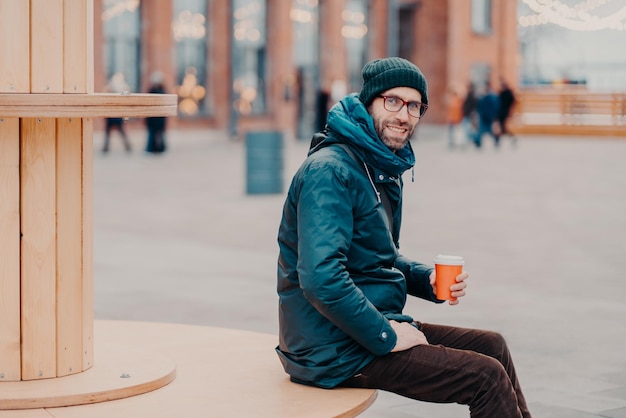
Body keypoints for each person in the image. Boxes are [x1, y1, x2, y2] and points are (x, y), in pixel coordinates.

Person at [276, 57, 531, 417]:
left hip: (361, 325)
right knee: (484, 376)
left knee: (493, 346)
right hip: (328, 348)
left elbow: (375, 254)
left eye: (414, 105)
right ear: (368, 103)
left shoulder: (377, 164)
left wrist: (426, 280)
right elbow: (321, 279)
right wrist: (388, 336)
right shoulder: (331, 171)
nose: (404, 115)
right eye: (392, 101)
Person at [102, 72, 132, 153]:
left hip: (114, 114)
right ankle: (106, 148)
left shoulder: (117, 88)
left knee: (117, 132)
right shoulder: (112, 87)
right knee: (114, 132)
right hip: (114, 114)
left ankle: (106, 148)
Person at [145, 71, 168, 154]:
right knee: (159, 133)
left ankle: (152, 148)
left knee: (153, 134)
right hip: (159, 118)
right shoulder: (163, 91)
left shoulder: (152, 91)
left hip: (154, 118)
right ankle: (160, 148)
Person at [473, 81, 500, 148]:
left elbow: (495, 107)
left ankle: (495, 140)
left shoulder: (491, 97)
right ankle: (478, 142)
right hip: (484, 117)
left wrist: (494, 116)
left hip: (489, 117)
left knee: (487, 130)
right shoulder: (483, 96)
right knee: (482, 130)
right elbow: (479, 107)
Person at [497, 78, 518, 146]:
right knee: (502, 127)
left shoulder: (507, 93)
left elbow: (512, 101)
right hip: (502, 111)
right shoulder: (503, 92)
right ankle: (499, 140)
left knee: (502, 127)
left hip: (503, 112)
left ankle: (499, 140)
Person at [461, 82, 478, 147]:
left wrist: (471, 113)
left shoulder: (472, 96)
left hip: (469, 115)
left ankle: (473, 140)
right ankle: (473, 140)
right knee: (469, 129)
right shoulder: (469, 95)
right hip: (468, 115)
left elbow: (472, 106)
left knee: (468, 129)